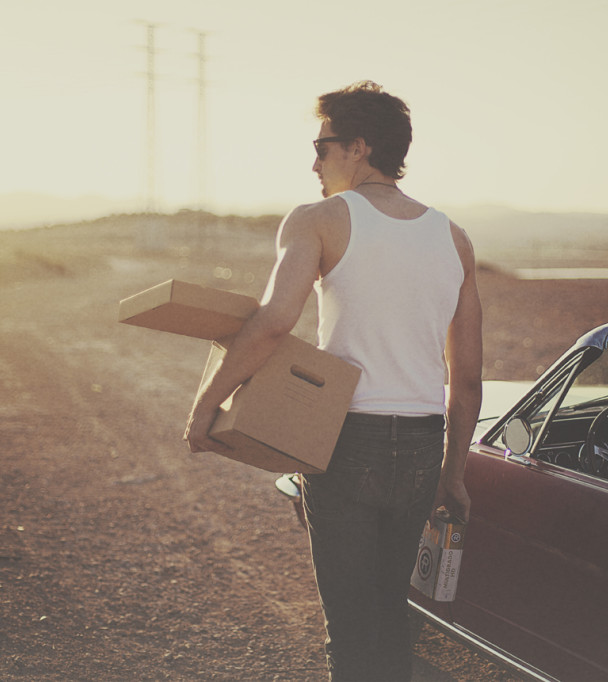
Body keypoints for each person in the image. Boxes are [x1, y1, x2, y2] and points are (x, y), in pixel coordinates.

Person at [184, 81, 483, 681]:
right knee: (390, 613)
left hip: (347, 438)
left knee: (349, 628)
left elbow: (274, 322)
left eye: (322, 147)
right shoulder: (454, 238)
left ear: (358, 147)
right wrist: (453, 473)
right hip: (423, 444)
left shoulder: (318, 220)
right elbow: (468, 375)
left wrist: (206, 405)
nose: (314, 163)